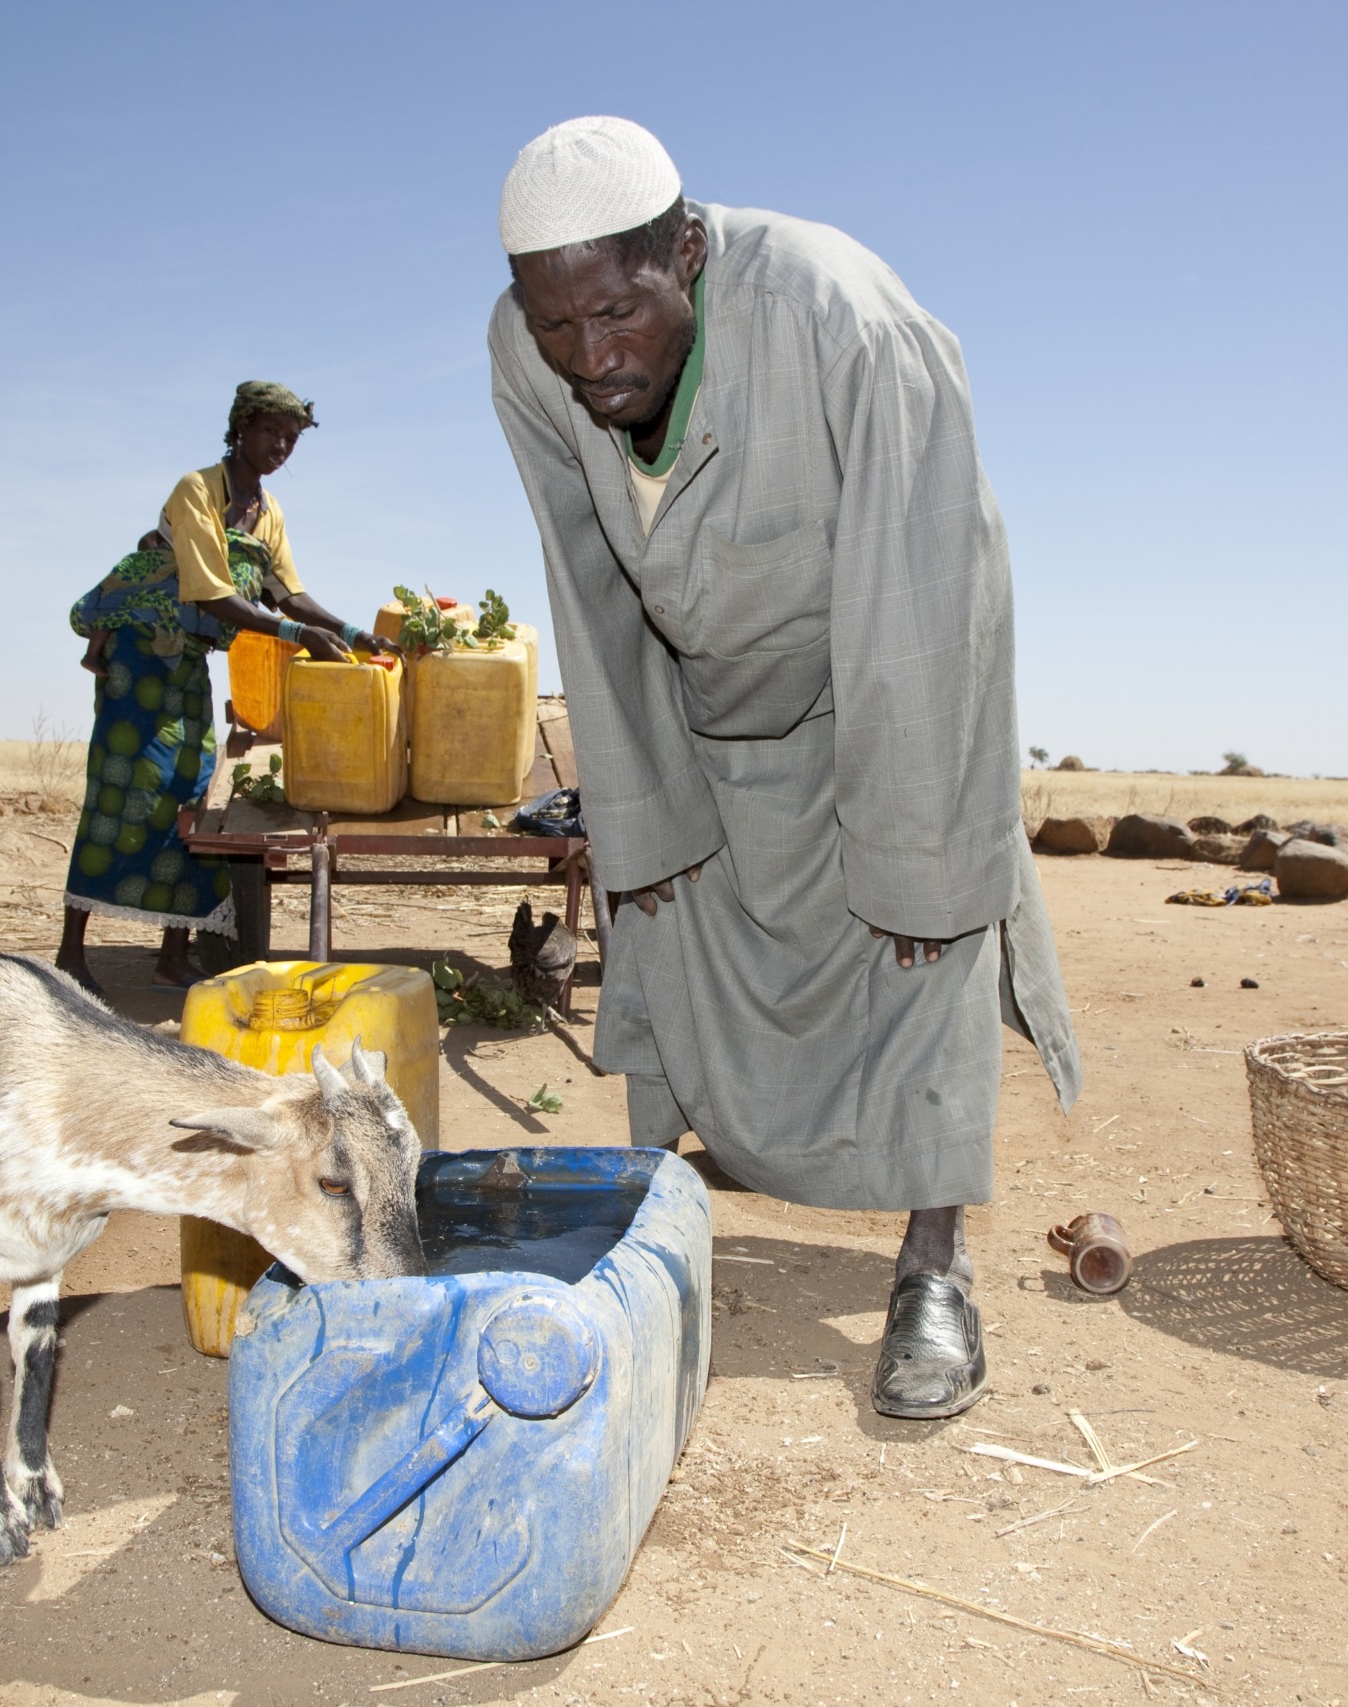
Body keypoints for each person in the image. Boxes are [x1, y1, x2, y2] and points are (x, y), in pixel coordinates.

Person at [488, 118, 1082, 1420]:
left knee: (924, 944)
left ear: (685, 253)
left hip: (881, 667)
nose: (591, 359)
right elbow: (588, 589)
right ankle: (655, 1232)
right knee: (674, 908)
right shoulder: (525, 353)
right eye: (555, 327)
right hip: (699, 696)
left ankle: (934, 1263)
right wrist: (642, 812)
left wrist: (921, 860)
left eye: (617, 316)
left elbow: (930, 600)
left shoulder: (846, 321)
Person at [56, 382, 392, 993]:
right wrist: (297, 634)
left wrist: (354, 633)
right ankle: (70, 952)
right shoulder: (198, 489)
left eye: (291, 439)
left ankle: (172, 954)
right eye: (271, 432)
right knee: (120, 786)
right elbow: (211, 592)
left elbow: (285, 592)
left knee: (191, 791)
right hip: (140, 653)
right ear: (240, 428)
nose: (281, 447)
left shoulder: (269, 513)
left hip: (186, 659)